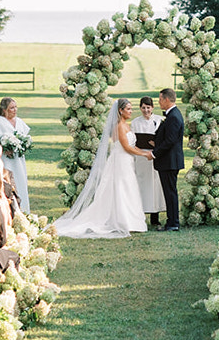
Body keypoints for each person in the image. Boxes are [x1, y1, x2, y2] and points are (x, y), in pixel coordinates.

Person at [55, 99, 151, 239]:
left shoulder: (127, 125)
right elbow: (126, 147)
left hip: (127, 160)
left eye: (131, 109)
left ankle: (132, 220)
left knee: (129, 188)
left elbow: (133, 145)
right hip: (120, 160)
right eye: (128, 109)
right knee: (122, 188)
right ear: (120, 110)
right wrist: (144, 154)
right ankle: (123, 220)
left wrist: (146, 152)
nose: (131, 111)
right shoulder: (119, 126)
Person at [0, 97, 32, 211]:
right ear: (4, 110)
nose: (15, 110)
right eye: (11, 108)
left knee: (21, 181)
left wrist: (23, 145)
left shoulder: (19, 121)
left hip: (19, 159)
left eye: (16, 107)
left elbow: (24, 138)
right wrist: (2, 147)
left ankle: (24, 209)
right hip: (6, 159)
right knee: (8, 181)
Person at [152, 88, 185, 231]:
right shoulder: (172, 115)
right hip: (169, 161)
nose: (159, 102)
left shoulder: (174, 117)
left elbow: (170, 140)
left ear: (166, 99)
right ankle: (172, 221)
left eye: (160, 99)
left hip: (169, 161)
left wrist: (154, 153)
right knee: (169, 192)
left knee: (170, 192)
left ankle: (173, 223)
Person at [133, 96, 166, 229]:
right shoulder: (135, 122)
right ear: (140, 108)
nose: (146, 110)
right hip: (141, 157)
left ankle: (155, 217)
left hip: (155, 156)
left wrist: (156, 144)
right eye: (143, 108)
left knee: (155, 185)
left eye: (148, 107)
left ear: (152, 108)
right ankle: (140, 215)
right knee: (142, 185)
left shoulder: (159, 120)